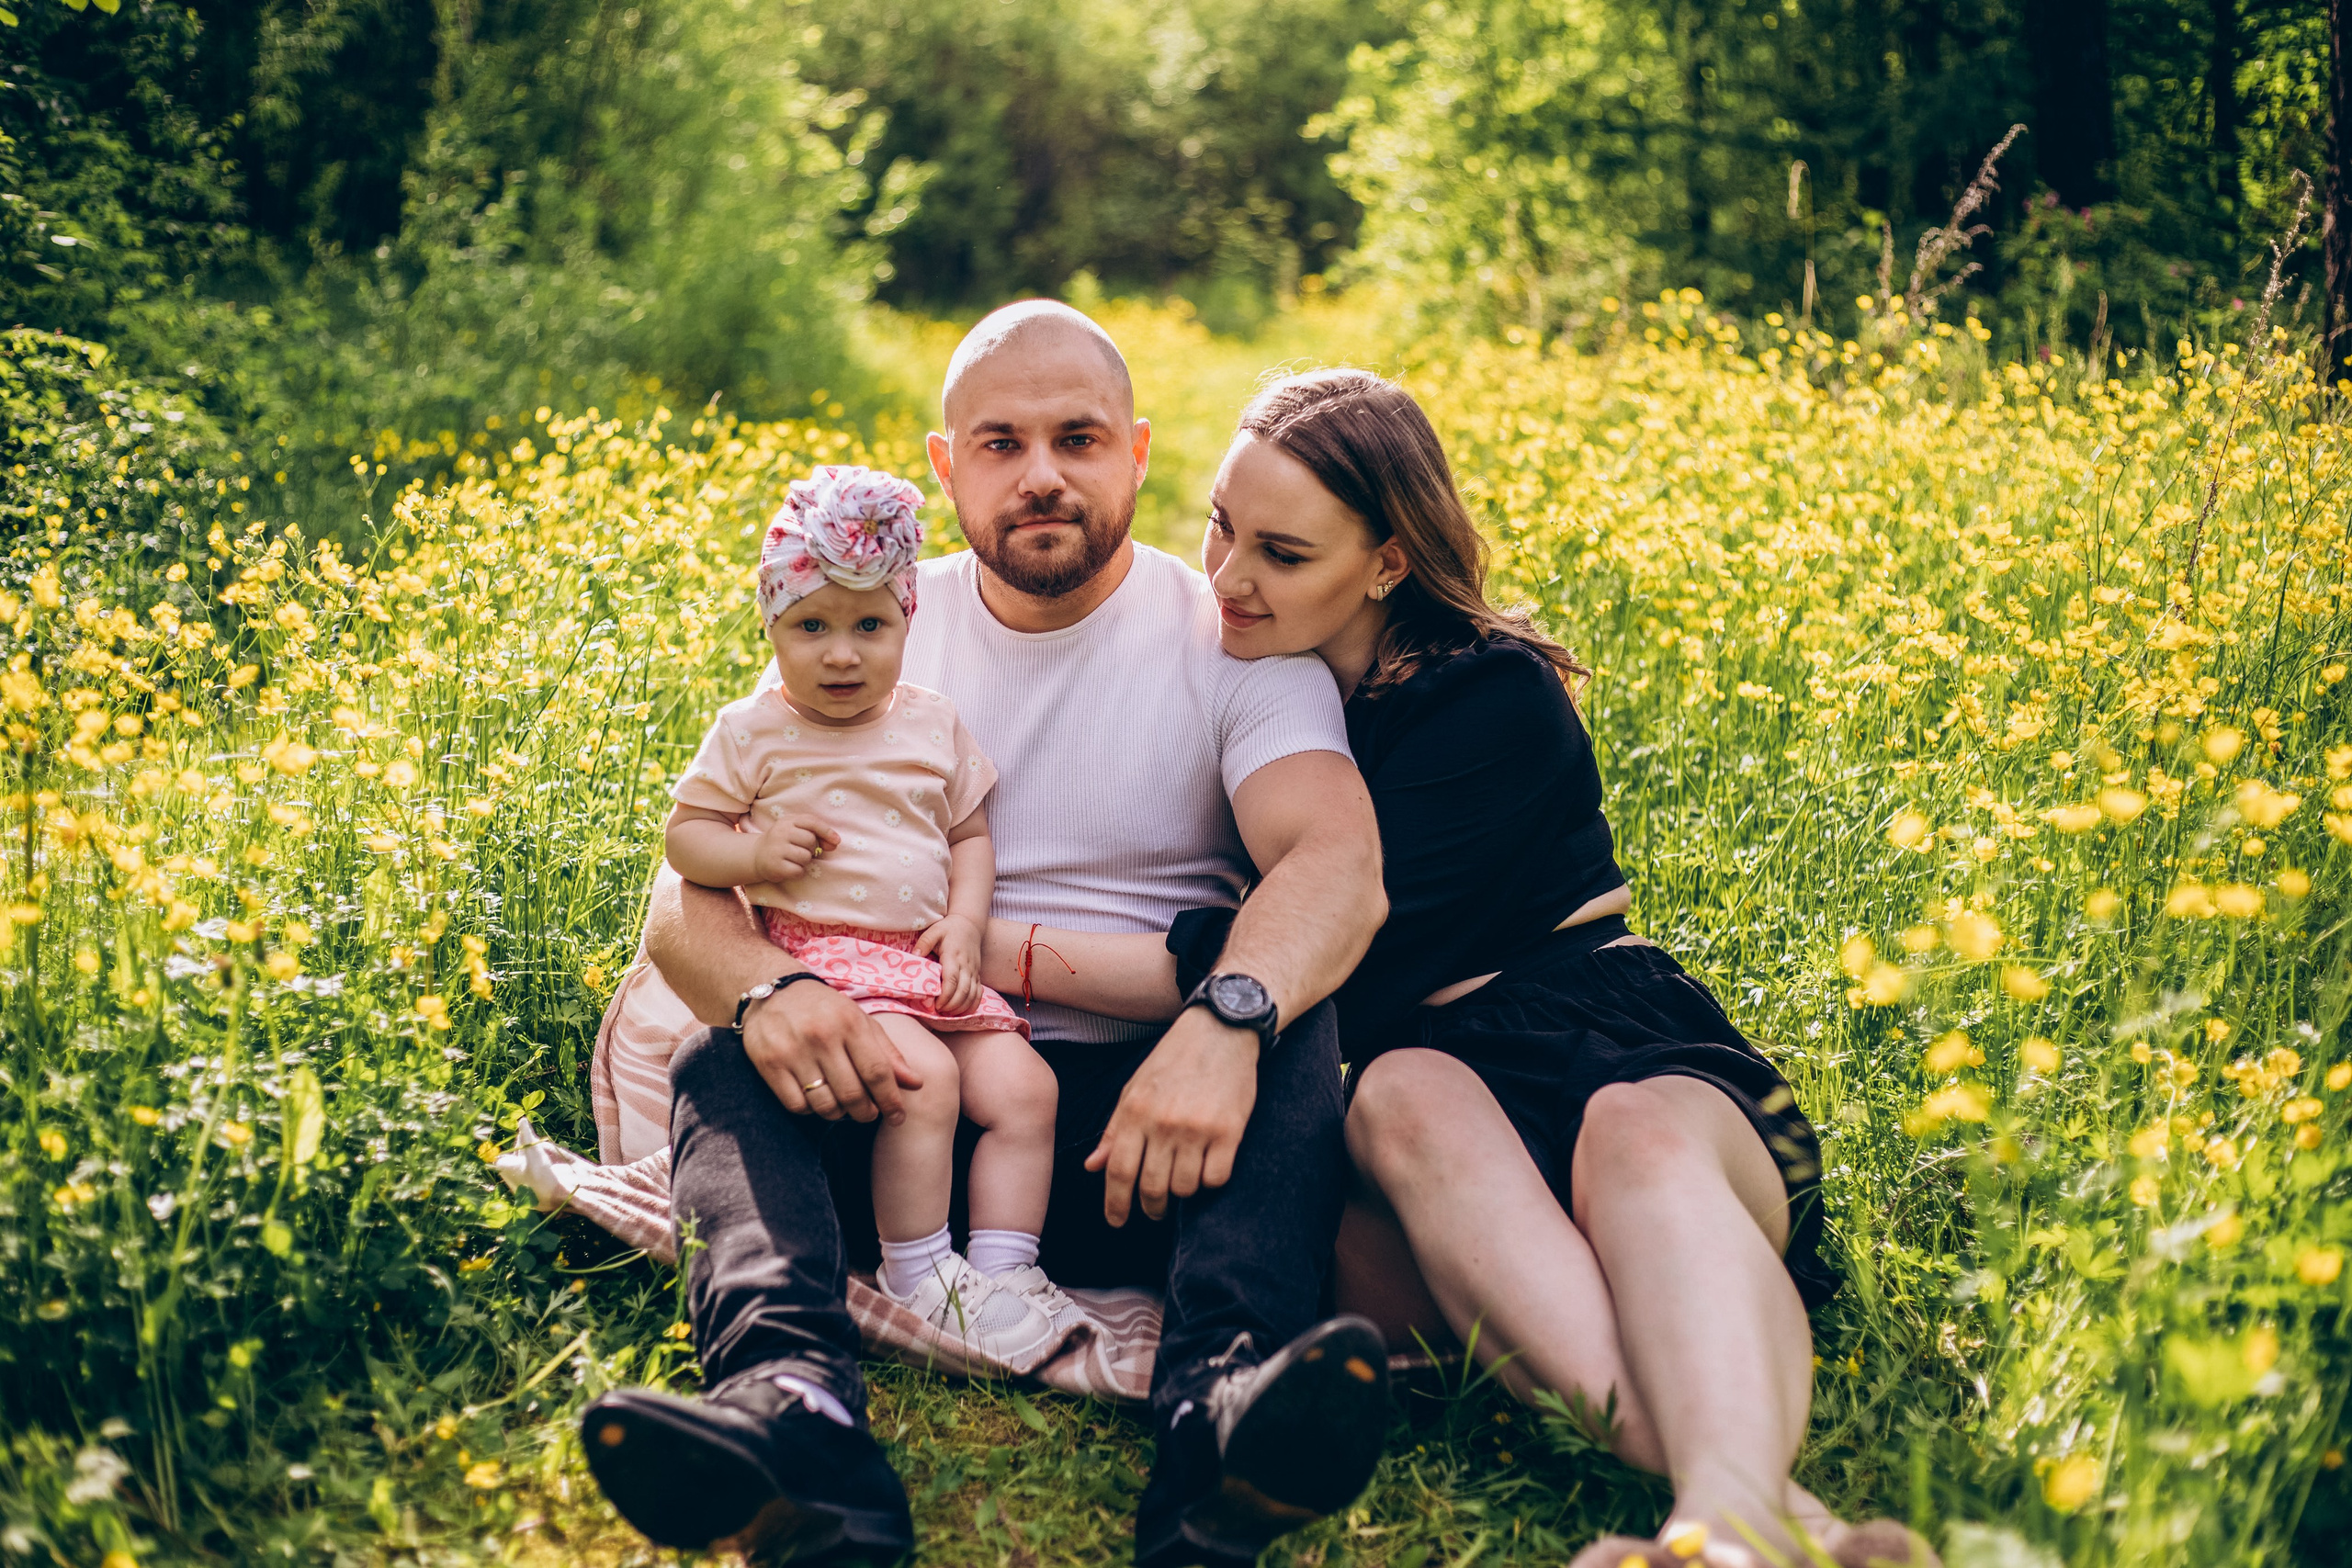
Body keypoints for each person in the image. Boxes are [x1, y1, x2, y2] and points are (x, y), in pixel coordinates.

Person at [992, 368, 1937, 1568]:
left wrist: (1029, 952)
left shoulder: (1488, 693)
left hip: (1602, 1041)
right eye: (1221, 523)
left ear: (1387, 561)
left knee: (1627, 1130)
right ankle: (1773, 1512)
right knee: (1398, 1090)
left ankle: (1729, 1516)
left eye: (1283, 553)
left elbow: (1332, 941)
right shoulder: (1222, 671)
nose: (1228, 577)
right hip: (1432, 1132)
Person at [579, 303, 1396, 1567]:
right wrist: (774, 992)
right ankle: (794, 1417)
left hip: (1139, 1145)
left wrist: (1224, 1020)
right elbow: (686, 904)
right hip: (896, 1093)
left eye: (1077, 438)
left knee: (1291, 1021)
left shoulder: (1230, 643)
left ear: (1135, 452)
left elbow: (1338, 866)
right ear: (944, 465)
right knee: (721, 1060)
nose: (1044, 475)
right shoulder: (865, 632)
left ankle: (1216, 1427)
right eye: (1001, 443)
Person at [661, 463, 1063, 1366]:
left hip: (922, 962)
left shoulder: (931, 722)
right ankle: (918, 1270)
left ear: (907, 624)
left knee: (1025, 1089)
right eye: (811, 628)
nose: (841, 654)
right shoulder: (754, 730)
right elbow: (686, 840)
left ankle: (1006, 1267)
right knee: (922, 1082)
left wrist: (964, 924)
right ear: (771, 626)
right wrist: (754, 855)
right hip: (821, 956)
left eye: (869, 626)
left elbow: (968, 836)